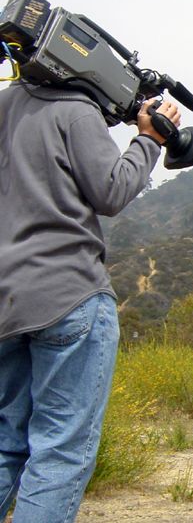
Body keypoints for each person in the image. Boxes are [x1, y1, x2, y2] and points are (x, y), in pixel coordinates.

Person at [0, 81, 181, 522]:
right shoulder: (76, 110)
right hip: (68, 293)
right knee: (61, 449)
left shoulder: (6, 105)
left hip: (8, 298)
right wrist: (149, 140)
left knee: (6, 442)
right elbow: (111, 191)